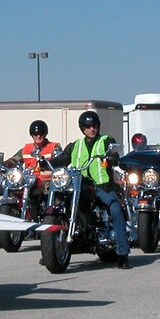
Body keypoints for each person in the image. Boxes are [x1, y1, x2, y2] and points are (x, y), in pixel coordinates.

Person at [45, 111, 131, 269]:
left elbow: (113, 152)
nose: (91, 129)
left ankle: (123, 253)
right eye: (88, 127)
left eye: (94, 126)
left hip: (101, 185)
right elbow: (64, 158)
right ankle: (51, 250)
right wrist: (48, 162)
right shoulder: (75, 145)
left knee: (116, 210)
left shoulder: (105, 141)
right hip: (80, 184)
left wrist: (112, 157)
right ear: (82, 129)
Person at [0, 120, 60, 249]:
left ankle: (49, 232)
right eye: (35, 134)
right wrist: (1, 165)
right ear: (31, 135)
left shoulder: (54, 147)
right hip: (30, 180)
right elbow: (14, 160)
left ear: (45, 134)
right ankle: (1, 235)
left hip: (48, 181)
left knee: (50, 199)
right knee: (11, 192)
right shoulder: (26, 149)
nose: (38, 136)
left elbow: (60, 160)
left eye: (41, 133)